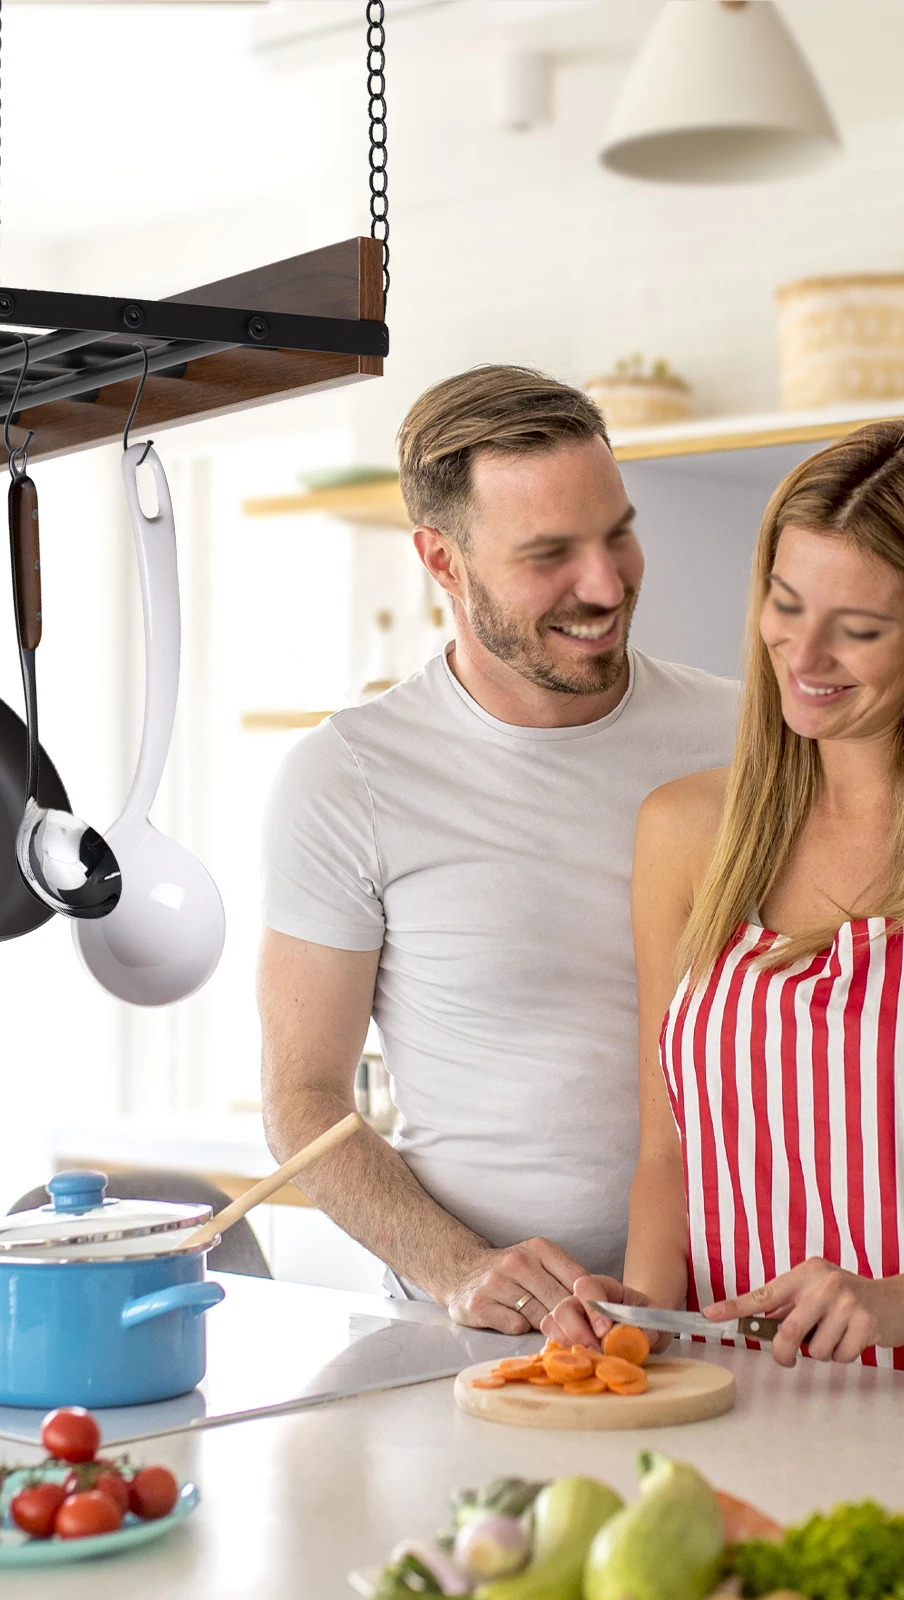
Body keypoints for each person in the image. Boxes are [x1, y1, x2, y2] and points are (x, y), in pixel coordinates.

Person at [546, 420, 904, 1385]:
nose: (802, 654)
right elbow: (668, 1153)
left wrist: (903, 1299)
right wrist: (641, 1325)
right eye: (786, 603)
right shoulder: (688, 829)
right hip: (733, 1400)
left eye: (857, 628)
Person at [258, 365, 738, 1334]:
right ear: (441, 560)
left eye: (617, 533)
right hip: (478, 1334)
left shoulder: (746, 735)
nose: (603, 584)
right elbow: (303, 1099)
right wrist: (457, 1268)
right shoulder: (347, 777)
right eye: (548, 553)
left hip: (732, 1311)